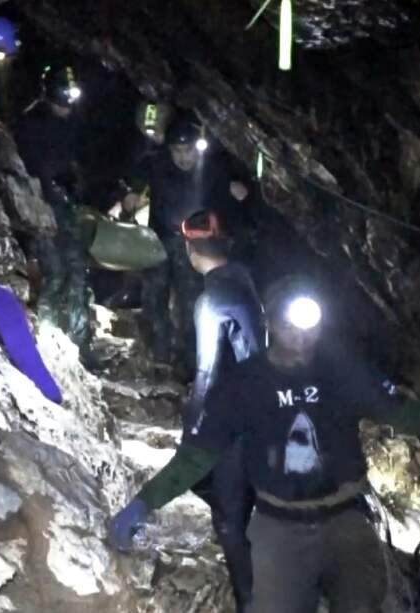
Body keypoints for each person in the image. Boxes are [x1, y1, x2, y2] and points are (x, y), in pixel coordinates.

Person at [109, 274, 420, 613]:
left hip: (346, 517)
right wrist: (143, 504)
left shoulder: (339, 369)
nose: (303, 336)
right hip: (278, 522)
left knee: (364, 603)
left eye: (311, 326)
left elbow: (396, 413)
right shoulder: (244, 385)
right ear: (270, 321)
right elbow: (197, 456)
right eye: (292, 324)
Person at [120, 112, 251, 374]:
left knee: (190, 300)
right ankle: (160, 355)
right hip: (159, 238)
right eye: (177, 150)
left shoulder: (213, 169)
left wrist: (239, 188)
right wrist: (131, 193)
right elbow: (134, 179)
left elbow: (235, 192)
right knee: (154, 295)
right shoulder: (157, 164)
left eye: (188, 150)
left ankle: (190, 362)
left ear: (197, 148)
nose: (183, 157)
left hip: (195, 244)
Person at [179, 210, 263, 611]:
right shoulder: (244, 279)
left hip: (233, 423)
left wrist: (194, 426)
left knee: (230, 520)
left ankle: (252, 602)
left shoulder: (212, 298)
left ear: (190, 249)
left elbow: (208, 371)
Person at [14, 64, 92, 353]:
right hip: (41, 205)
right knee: (55, 273)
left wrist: (75, 183)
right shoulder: (30, 123)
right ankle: (46, 340)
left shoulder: (70, 121)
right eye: (63, 98)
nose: (68, 105)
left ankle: (81, 345)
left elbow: (74, 159)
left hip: (66, 204)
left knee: (77, 272)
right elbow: (26, 171)